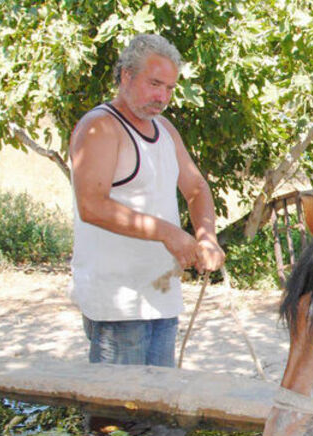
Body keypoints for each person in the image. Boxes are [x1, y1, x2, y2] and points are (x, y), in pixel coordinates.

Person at [69, 34, 225, 367]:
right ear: (127, 75)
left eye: (170, 88)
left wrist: (207, 237)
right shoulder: (100, 127)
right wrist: (169, 233)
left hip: (162, 299)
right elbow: (91, 206)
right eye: (155, 84)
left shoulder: (165, 130)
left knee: (156, 412)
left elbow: (196, 188)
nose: (163, 97)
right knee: (118, 414)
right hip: (118, 305)